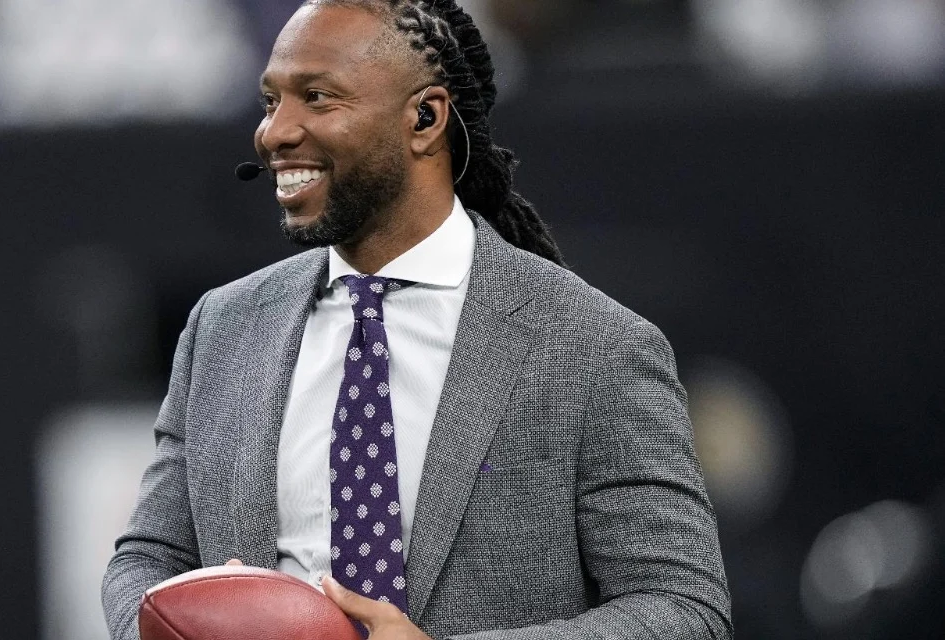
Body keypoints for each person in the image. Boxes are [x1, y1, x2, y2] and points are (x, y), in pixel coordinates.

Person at [101, 1, 732, 638]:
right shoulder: (224, 327)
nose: (274, 133)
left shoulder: (595, 345)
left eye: (317, 97)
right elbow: (148, 558)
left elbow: (683, 610)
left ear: (425, 118)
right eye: (271, 101)